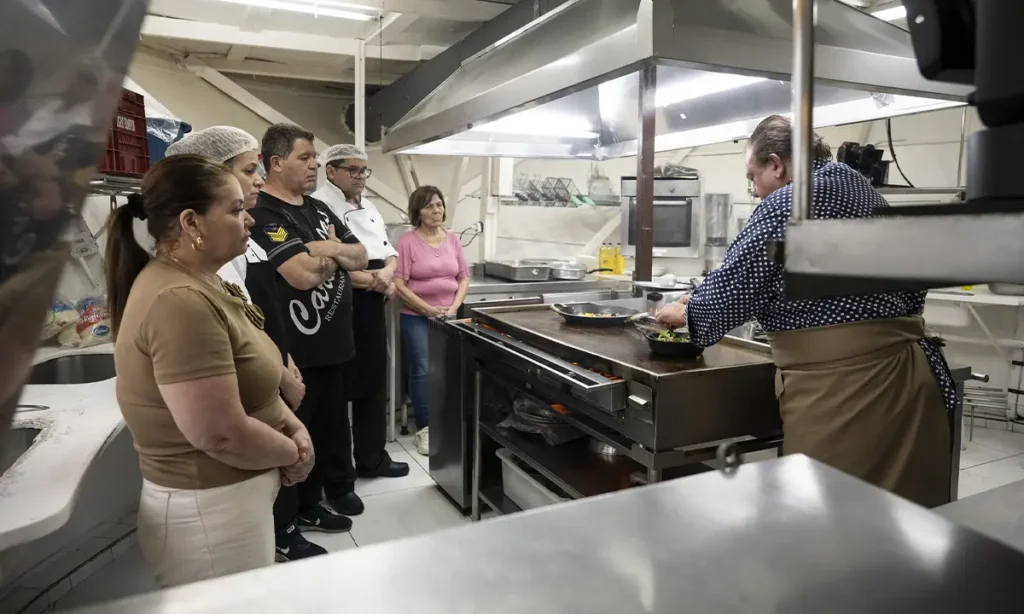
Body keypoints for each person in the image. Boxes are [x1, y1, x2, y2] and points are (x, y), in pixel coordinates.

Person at [656, 114, 955, 508]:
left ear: (777, 165)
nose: (755, 190)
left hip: (843, 391)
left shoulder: (788, 203)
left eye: (753, 177)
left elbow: (737, 287)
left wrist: (688, 313)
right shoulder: (864, 193)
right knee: (899, 521)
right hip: (907, 377)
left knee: (827, 517)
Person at [105, 155, 314, 587]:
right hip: (211, 518)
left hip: (231, 502)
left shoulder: (207, 282)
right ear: (191, 222)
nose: (250, 221)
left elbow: (253, 376)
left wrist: (292, 427)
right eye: (236, 210)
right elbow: (219, 434)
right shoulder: (178, 301)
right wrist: (294, 453)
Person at [165, 126, 325, 561]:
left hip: (271, 371)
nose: (257, 180)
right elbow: (220, 427)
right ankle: (284, 530)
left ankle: (286, 526)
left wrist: (281, 366)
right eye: (249, 169)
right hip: (212, 487)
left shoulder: (231, 246)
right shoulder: (182, 284)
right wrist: (293, 446)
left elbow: (251, 316)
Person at [249, 124, 376, 526]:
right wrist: (333, 255)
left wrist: (326, 248)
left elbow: (361, 254)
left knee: (335, 425)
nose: (314, 164)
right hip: (298, 351)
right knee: (301, 432)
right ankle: (303, 508)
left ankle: (337, 488)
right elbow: (300, 275)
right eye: (305, 157)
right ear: (276, 162)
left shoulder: (318, 209)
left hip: (337, 340)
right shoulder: (263, 212)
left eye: (314, 157)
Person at [311, 144, 409, 479]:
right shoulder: (320, 206)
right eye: (352, 170)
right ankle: (336, 470)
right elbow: (326, 265)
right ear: (331, 171)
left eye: (363, 170)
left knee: (374, 379)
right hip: (342, 302)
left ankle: (372, 457)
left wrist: (388, 273)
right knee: (339, 386)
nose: (360, 177)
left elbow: (387, 250)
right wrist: (377, 281)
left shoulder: (369, 206)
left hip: (374, 298)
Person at [394, 186, 470, 456]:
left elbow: (463, 276)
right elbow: (398, 283)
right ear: (418, 211)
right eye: (429, 206)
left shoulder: (452, 239)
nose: (436, 211)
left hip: (450, 316)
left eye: (439, 205)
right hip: (416, 316)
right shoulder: (407, 242)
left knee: (449, 369)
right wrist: (426, 309)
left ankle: (446, 423)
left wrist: (454, 306)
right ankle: (425, 429)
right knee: (423, 370)